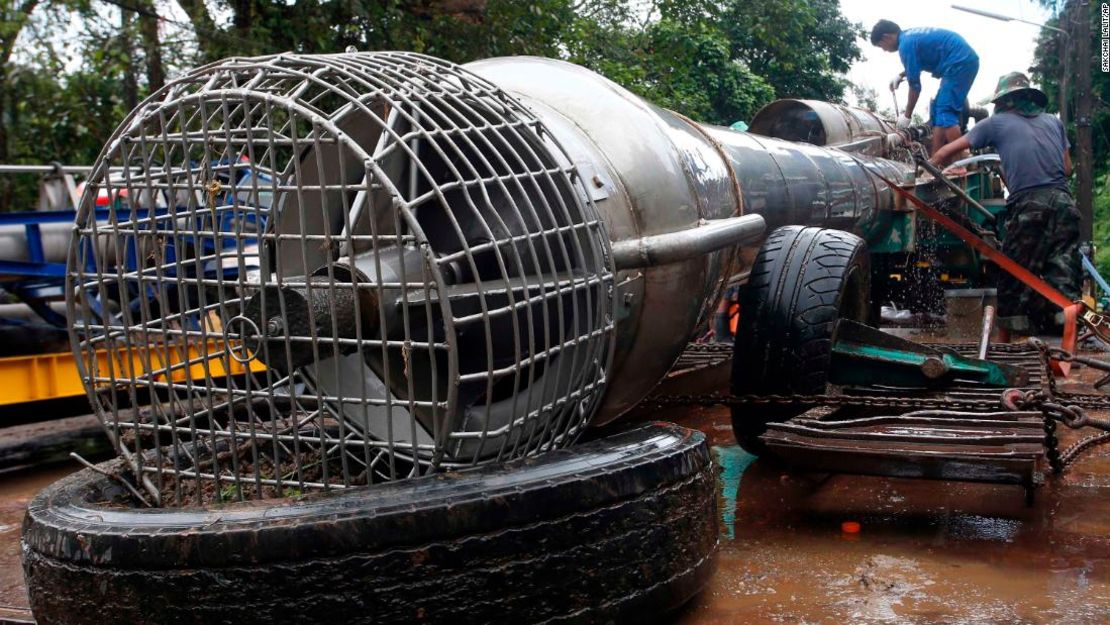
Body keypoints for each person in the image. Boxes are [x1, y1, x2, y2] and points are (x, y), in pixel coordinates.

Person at [930, 72, 1079, 335]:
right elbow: (1066, 168)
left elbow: (946, 151)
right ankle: (1065, 337)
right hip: (1065, 201)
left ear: (1004, 101)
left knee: (1015, 270)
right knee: (1062, 268)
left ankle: (1012, 339)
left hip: (1030, 203)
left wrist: (928, 170)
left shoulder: (995, 123)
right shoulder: (1053, 123)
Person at [871, 20, 979, 155]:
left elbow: (915, 86)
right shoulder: (909, 37)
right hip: (960, 59)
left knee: (946, 111)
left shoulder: (906, 45)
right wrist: (901, 75)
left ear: (887, 37)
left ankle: (961, 162)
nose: (885, 50)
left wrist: (907, 116)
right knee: (938, 113)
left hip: (959, 62)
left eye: (882, 46)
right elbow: (917, 65)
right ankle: (937, 161)